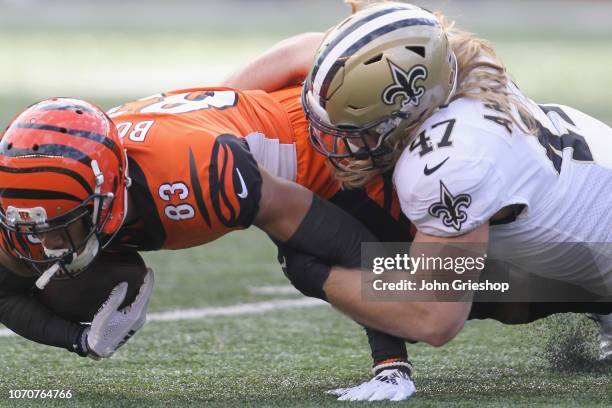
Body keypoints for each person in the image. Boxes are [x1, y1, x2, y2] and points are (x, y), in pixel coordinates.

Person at [224, 0, 612, 376]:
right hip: (589, 183)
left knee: (401, 260)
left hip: (595, 241)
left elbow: (432, 317)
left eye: (353, 129)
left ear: (403, 113)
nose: (336, 140)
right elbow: (304, 51)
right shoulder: (441, 61)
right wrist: (204, 117)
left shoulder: (448, 164)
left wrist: (319, 276)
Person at [0, 87, 416, 400]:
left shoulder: (196, 176)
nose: (47, 244)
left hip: (335, 157)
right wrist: (77, 339)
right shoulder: (41, 197)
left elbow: (346, 240)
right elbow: (4, 292)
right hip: (252, 121)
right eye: (35, 228)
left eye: (61, 225)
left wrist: (390, 361)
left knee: (450, 292)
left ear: (105, 196)